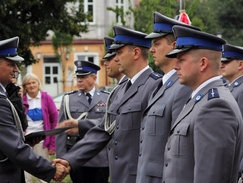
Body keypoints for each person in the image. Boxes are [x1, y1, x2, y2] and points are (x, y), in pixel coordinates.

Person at [54, 25, 162, 183]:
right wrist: (69, 160)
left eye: (119, 53)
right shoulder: (120, 90)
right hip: (119, 175)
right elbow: (104, 130)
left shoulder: (155, 86)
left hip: (140, 176)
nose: (115, 58)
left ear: (136, 53)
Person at [0, 36, 68, 183]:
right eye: (11, 64)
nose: (16, 69)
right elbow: (14, 149)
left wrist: (25, 142)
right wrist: (51, 169)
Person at [162, 25, 243, 183]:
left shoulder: (216, 107)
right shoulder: (200, 98)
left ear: (203, 63)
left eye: (181, 60)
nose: (175, 65)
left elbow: (211, 176)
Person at [136, 11, 200, 183]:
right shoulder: (160, 86)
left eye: (157, 43)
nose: (151, 49)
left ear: (174, 45)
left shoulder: (182, 88)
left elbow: (178, 150)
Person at [56, 60, 110, 183]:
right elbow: (61, 130)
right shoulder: (69, 99)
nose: (79, 80)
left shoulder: (107, 97)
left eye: (83, 77)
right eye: (78, 77)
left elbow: (107, 123)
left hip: (100, 157)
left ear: (94, 78)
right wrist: (61, 159)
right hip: (77, 157)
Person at [22, 72, 59, 183]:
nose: (31, 85)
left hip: (42, 141)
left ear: (38, 84)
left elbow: (54, 120)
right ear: (25, 87)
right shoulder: (21, 100)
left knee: (42, 173)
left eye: (34, 82)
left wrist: (52, 144)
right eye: (28, 83)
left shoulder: (46, 98)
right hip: (25, 141)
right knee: (25, 174)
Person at [220, 44, 243, 180]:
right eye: (221, 61)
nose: (222, 65)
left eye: (227, 62)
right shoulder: (231, 87)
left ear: (240, 64)